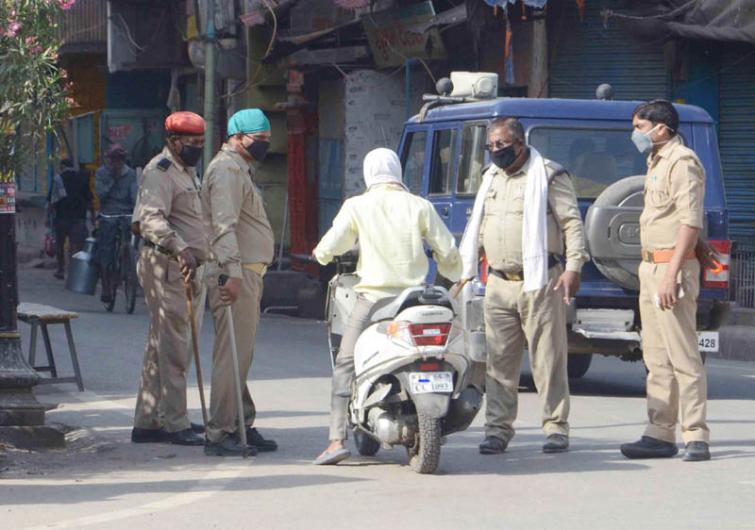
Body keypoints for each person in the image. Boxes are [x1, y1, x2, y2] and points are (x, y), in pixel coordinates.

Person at [312, 147, 462, 465]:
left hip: (374, 300)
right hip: (416, 299)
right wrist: (455, 274)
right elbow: (448, 251)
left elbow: (333, 244)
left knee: (346, 363)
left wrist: (321, 255)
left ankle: (336, 440)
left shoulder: (357, 205)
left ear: (369, 174)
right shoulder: (420, 205)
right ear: (397, 172)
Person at [458, 117, 588, 456]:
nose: (495, 151)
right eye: (490, 146)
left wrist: (573, 267)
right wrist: (465, 264)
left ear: (519, 144)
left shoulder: (548, 175)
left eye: (501, 145)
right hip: (498, 283)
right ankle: (497, 430)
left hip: (540, 281)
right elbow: (482, 226)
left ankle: (555, 427)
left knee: (548, 359)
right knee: (499, 362)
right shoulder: (490, 177)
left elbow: (572, 224)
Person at [620, 100, 710, 462]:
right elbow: (672, 216)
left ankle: (695, 435)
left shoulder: (682, 161)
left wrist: (672, 274)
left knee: (682, 354)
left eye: (639, 127)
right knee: (656, 357)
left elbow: (690, 219)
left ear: (661, 128)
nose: (635, 134)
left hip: (670, 269)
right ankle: (659, 433)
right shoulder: (656, 161)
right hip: (651, 268)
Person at [201, 108, 278, 457]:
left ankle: (240, 421)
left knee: (240, 353)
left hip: (247, 271)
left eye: (266, 139)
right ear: (237, 137)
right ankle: (220, 432)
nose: (264, 145)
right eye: (258, 139)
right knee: (231, 354)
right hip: (238, 271)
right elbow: (223, 225)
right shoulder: (228, 170)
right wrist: (231, 272)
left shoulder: (239, 168)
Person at [131, 111, 209, 446]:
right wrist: (181, 247)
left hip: (187, 267)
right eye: (192, 143)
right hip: (170, 265)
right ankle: (176, 422)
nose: (197, 148)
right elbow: (149, 220)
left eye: (201, 142)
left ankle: (149, 421)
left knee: (162, 344)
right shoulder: (159, 171)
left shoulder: (187, 172)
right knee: (176, 346)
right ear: (174, 142)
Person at [95, 145, 138, 303]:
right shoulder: (102, 173)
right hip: (109, 214)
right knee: (106, 250)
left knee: (134, 239)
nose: (117, 163)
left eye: (119, 160)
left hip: (126, 213)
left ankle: (129, 265)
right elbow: (101, 194)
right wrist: (113, 179)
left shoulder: (130, 174)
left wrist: (138, 211)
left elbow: (134, 195)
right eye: (113, 160)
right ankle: (106, 285)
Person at [48, 158, 93, 279]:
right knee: (76, 245)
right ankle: (74, 271)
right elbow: (89, 199)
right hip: (79, 217)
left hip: (62, 217)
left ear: (62, 167)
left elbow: (52, 200)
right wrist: (92, 217)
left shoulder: (58, 179)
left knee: (60, 244)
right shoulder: (82, 178)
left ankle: (61, 269)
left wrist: (48, 218)